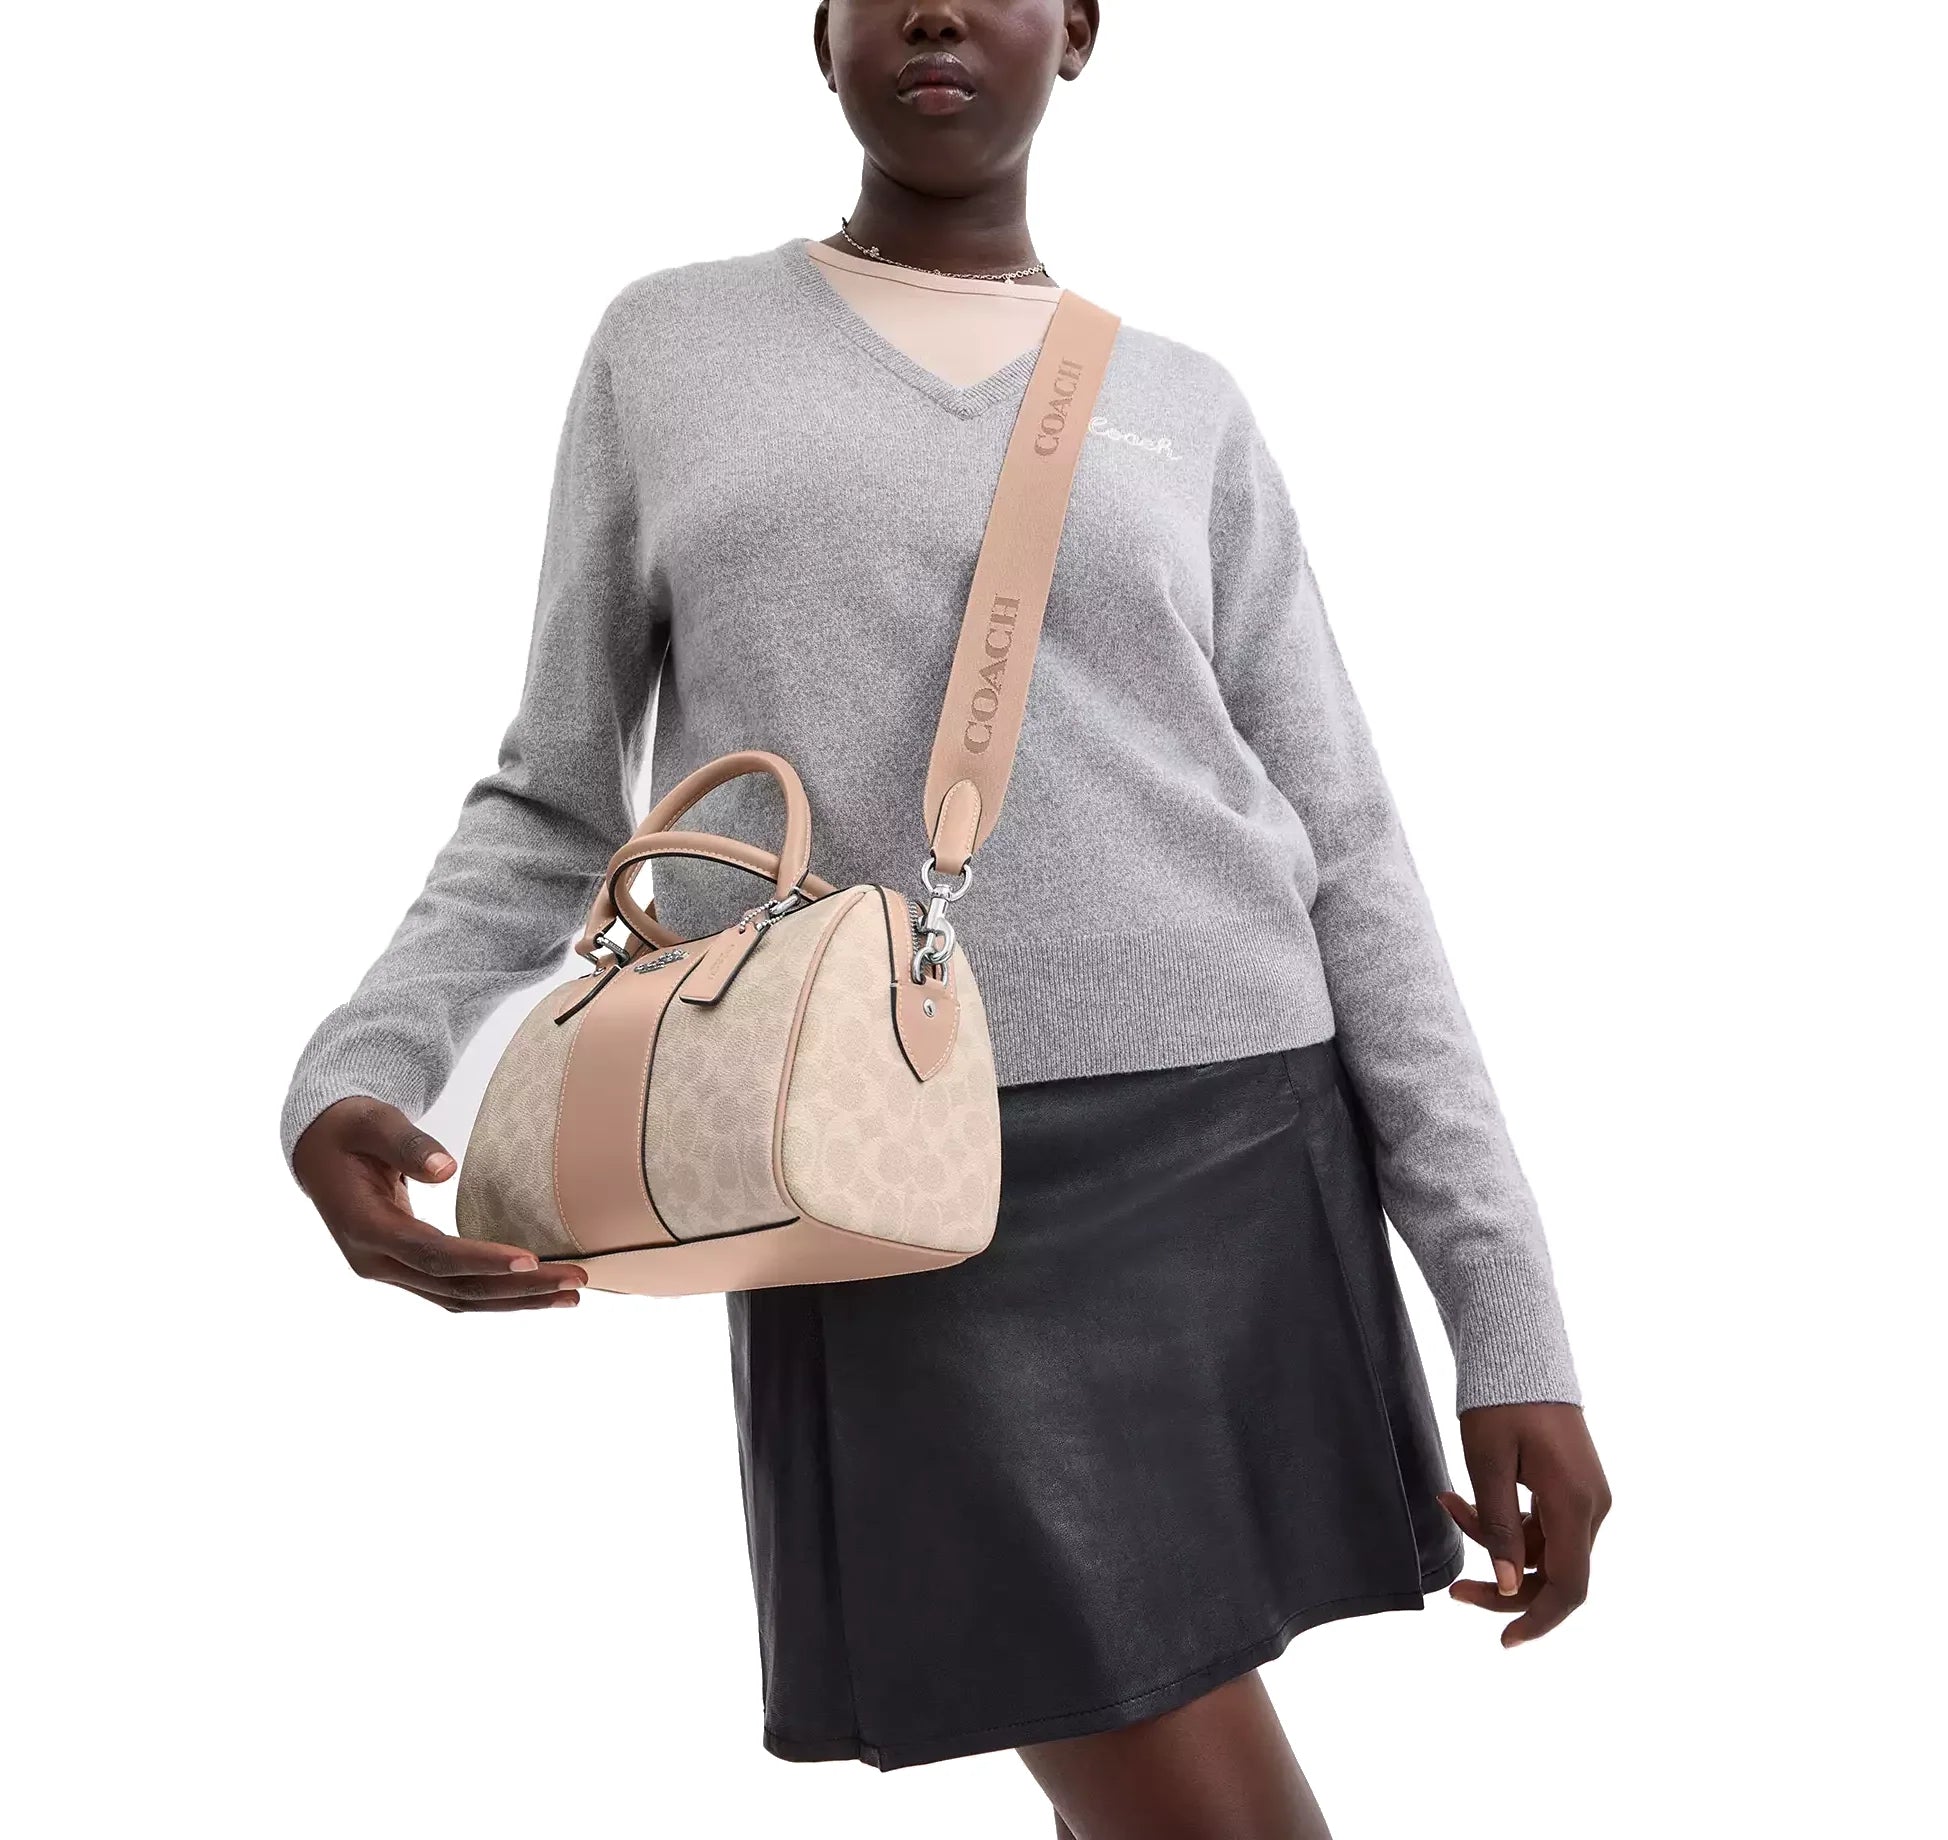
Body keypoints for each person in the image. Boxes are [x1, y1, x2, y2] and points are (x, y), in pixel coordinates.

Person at [279, 4, 1613, 1834]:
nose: (933, 9)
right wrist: (369, 1063)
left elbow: (1350, 849)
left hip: (1239, 1147)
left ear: (1078, 30)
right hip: (866, 1191)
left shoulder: (1186, 404)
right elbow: (559, 793)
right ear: (815, 33)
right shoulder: (670, 347)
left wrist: (1508, 1315)